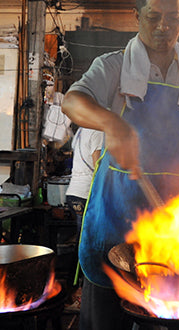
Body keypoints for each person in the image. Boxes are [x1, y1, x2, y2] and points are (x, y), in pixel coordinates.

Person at [61, 0, 179, 328]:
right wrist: (112, 124)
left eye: (173, 18)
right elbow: (73, 101)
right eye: (154, 17)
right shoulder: (113, 66)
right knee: (105, 317)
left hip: (175, 218)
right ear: (137, 17)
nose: (164, 27)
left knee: (168, 317)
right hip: (115, 214)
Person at [65, 127, 103, 310]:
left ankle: (74, 292)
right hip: (86, 193)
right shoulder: (97, 131)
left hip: (73, 193)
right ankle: (73, 295)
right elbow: (98, 167)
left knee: (81, 243)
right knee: (84, 245)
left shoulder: (81, 130)